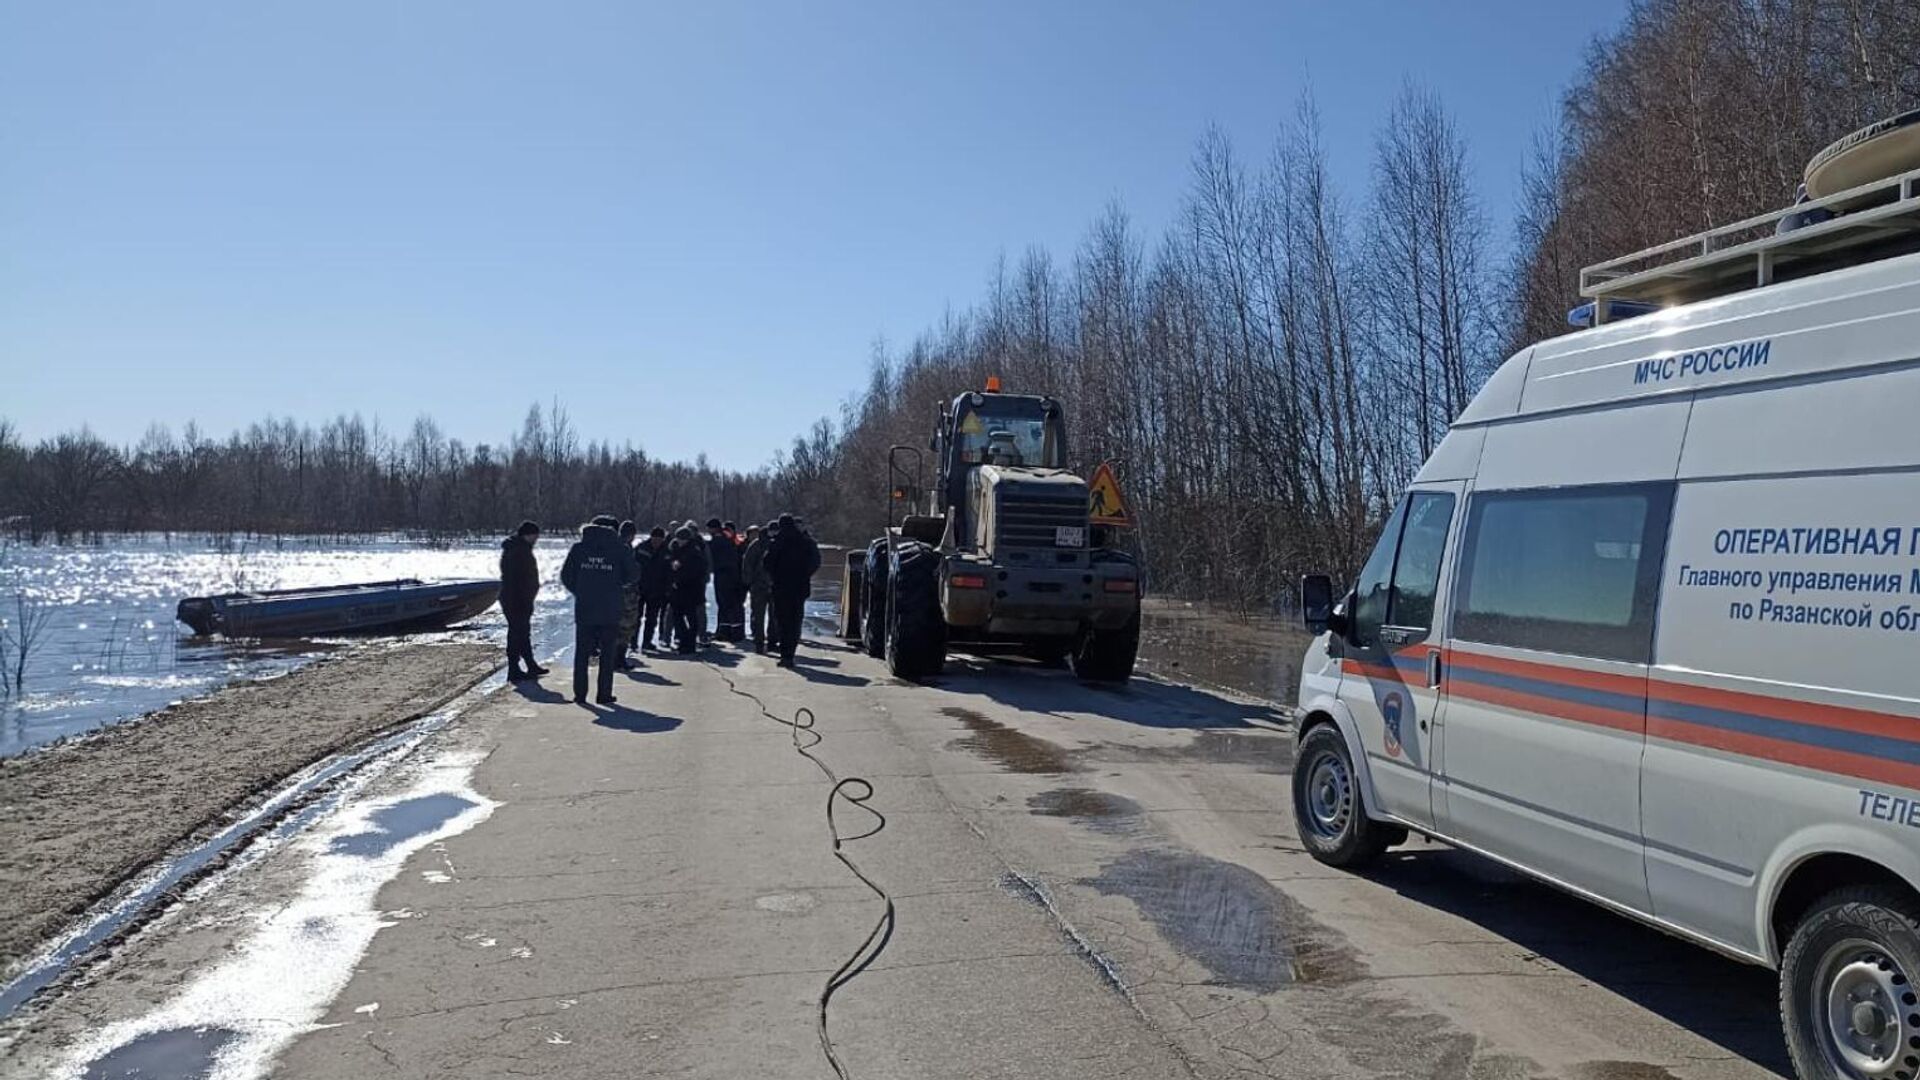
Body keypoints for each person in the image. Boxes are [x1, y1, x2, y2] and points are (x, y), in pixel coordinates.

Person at [560, 515, 637, 705]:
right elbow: (634, 574)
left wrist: (581, 591)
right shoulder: (619, 549)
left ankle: (580, 694)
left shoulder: (579, 549)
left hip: (585, 607)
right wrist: (615, 584)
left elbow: (566, 575)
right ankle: (604, 694)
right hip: (610, 608)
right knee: (607, 653)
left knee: (582, 653)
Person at [761, 513, 821, 668]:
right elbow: (815, 561)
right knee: (795, 620)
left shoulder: (778, 542)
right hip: (800, 587)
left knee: (782, 621)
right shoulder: (806, 541)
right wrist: (805, 574)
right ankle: (791, 654)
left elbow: (766, 563)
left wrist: (775, 575)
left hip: (781, 587)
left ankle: (785, 655)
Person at [499, 520, 547, 681]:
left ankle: (529, 664)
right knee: (517, 633)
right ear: (528, 535)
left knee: (522, 632)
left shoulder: (517, 549)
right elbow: (519, 578)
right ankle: (514, 668)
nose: (536, 539)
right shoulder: (519, 551)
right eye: (535, 536)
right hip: (516, 599)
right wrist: (525, 597)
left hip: (516, 598)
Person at [667, 525, 707, 653]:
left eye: (682, 539)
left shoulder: (694, 551)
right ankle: (684, 642)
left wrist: (679, 570)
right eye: (678, 538)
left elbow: (696, 571)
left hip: (691, 590)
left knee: (691, 618)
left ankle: (689, 644)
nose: (680, 541)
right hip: (678, 590)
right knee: (677, 617)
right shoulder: (674, 549)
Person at [707, 516, 745, 643]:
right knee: (730, 604)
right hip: (732, 574)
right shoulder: (731, 540)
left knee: (725, 604)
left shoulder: (718, 540)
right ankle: (730, 632)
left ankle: (725, 632)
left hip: (724, 574)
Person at [638, 526, 672, 651]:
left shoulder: (667, 551)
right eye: (655, 539)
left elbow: (669, 572)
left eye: (659, 539)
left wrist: (667, 589)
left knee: (651, 618)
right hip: (640, 588)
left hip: (657, 590)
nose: (656, 541)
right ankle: (633, 642)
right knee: (636, 617)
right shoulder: (641, 548)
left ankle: (647, 642)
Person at [741, 524, 770, 653]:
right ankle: (766, 640)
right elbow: (747, 564)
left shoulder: (755, 545)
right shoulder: (767, 545)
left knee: (758, 614)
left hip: (758, 585)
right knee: (764, 615)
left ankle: (760, 641)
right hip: (765, 585)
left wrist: (749, 581)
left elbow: (746, 564)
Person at [617, 520, 642, 667]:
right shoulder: (625, 549)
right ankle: (619, 658)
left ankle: (615, 657)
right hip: (626, 593)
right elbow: (631, 572)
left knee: (617, 626)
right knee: (626, 627)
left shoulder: (613, 547)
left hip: (615, 592)